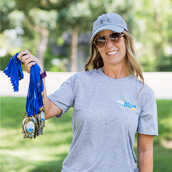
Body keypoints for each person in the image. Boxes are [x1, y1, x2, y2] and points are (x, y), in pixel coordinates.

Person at [18, 13, 158, 172]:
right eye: (101, 40)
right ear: (96, 47)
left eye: (115, 36)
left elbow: (145, 151)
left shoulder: (143, 93)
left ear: (125, 39)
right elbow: (46, 111)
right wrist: (39, 76)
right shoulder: (79, 82)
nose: (109, 44)